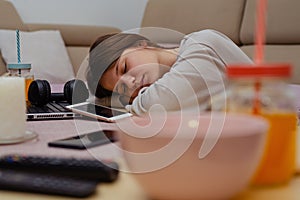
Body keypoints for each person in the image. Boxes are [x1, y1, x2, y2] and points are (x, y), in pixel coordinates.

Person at [86, 29, 253, 116]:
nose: (130, 83)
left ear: (141, 44)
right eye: (122, 89)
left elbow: (159, 103)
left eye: (124, 68)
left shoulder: (202, 44)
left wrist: (136, 104)